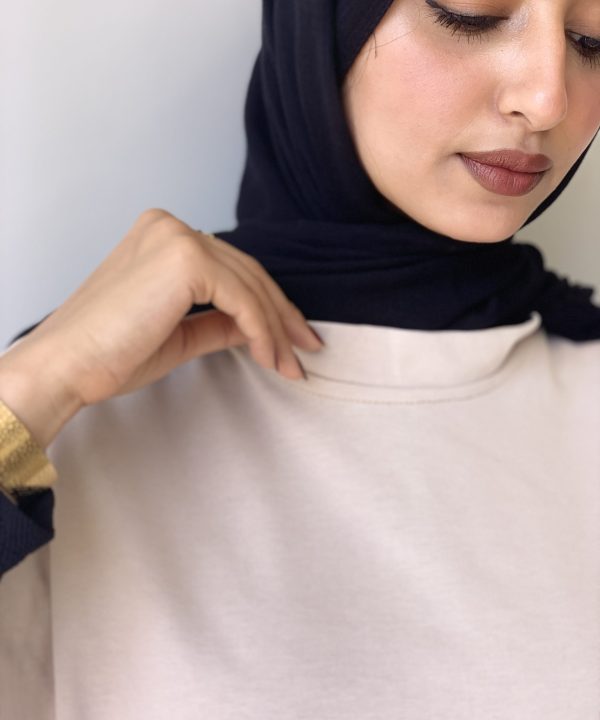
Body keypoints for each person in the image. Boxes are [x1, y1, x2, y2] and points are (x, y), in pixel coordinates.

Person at [1, 0, 600, 717]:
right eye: (469, 13)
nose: (548, 98)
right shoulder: (55, 433)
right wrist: (31, 387)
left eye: (592, 41)